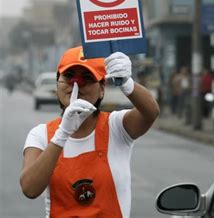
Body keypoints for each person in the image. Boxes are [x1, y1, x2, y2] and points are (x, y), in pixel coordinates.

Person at [20, 46, 160, 217]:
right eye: (69, 77)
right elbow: (30, 188)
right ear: (57, 85)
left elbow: (150, 112)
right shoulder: (41, 134)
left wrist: (126, 83)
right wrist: (62, 133)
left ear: (102, 89)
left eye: (87, 78)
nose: (76, 84)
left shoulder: (116, 126)